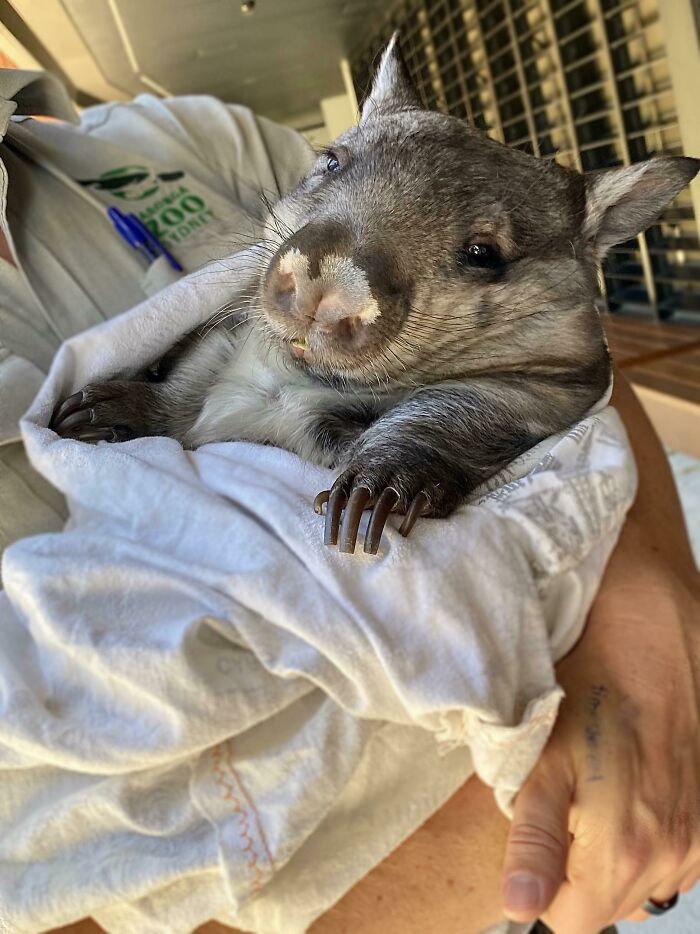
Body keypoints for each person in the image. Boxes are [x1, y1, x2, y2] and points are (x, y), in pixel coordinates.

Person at [1, 68, 699, 934]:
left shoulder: (192, 137)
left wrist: (646, 628)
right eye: (334, 171)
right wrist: (163, 410)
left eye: (480, 254)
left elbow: (562, 380)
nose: (310, 294)